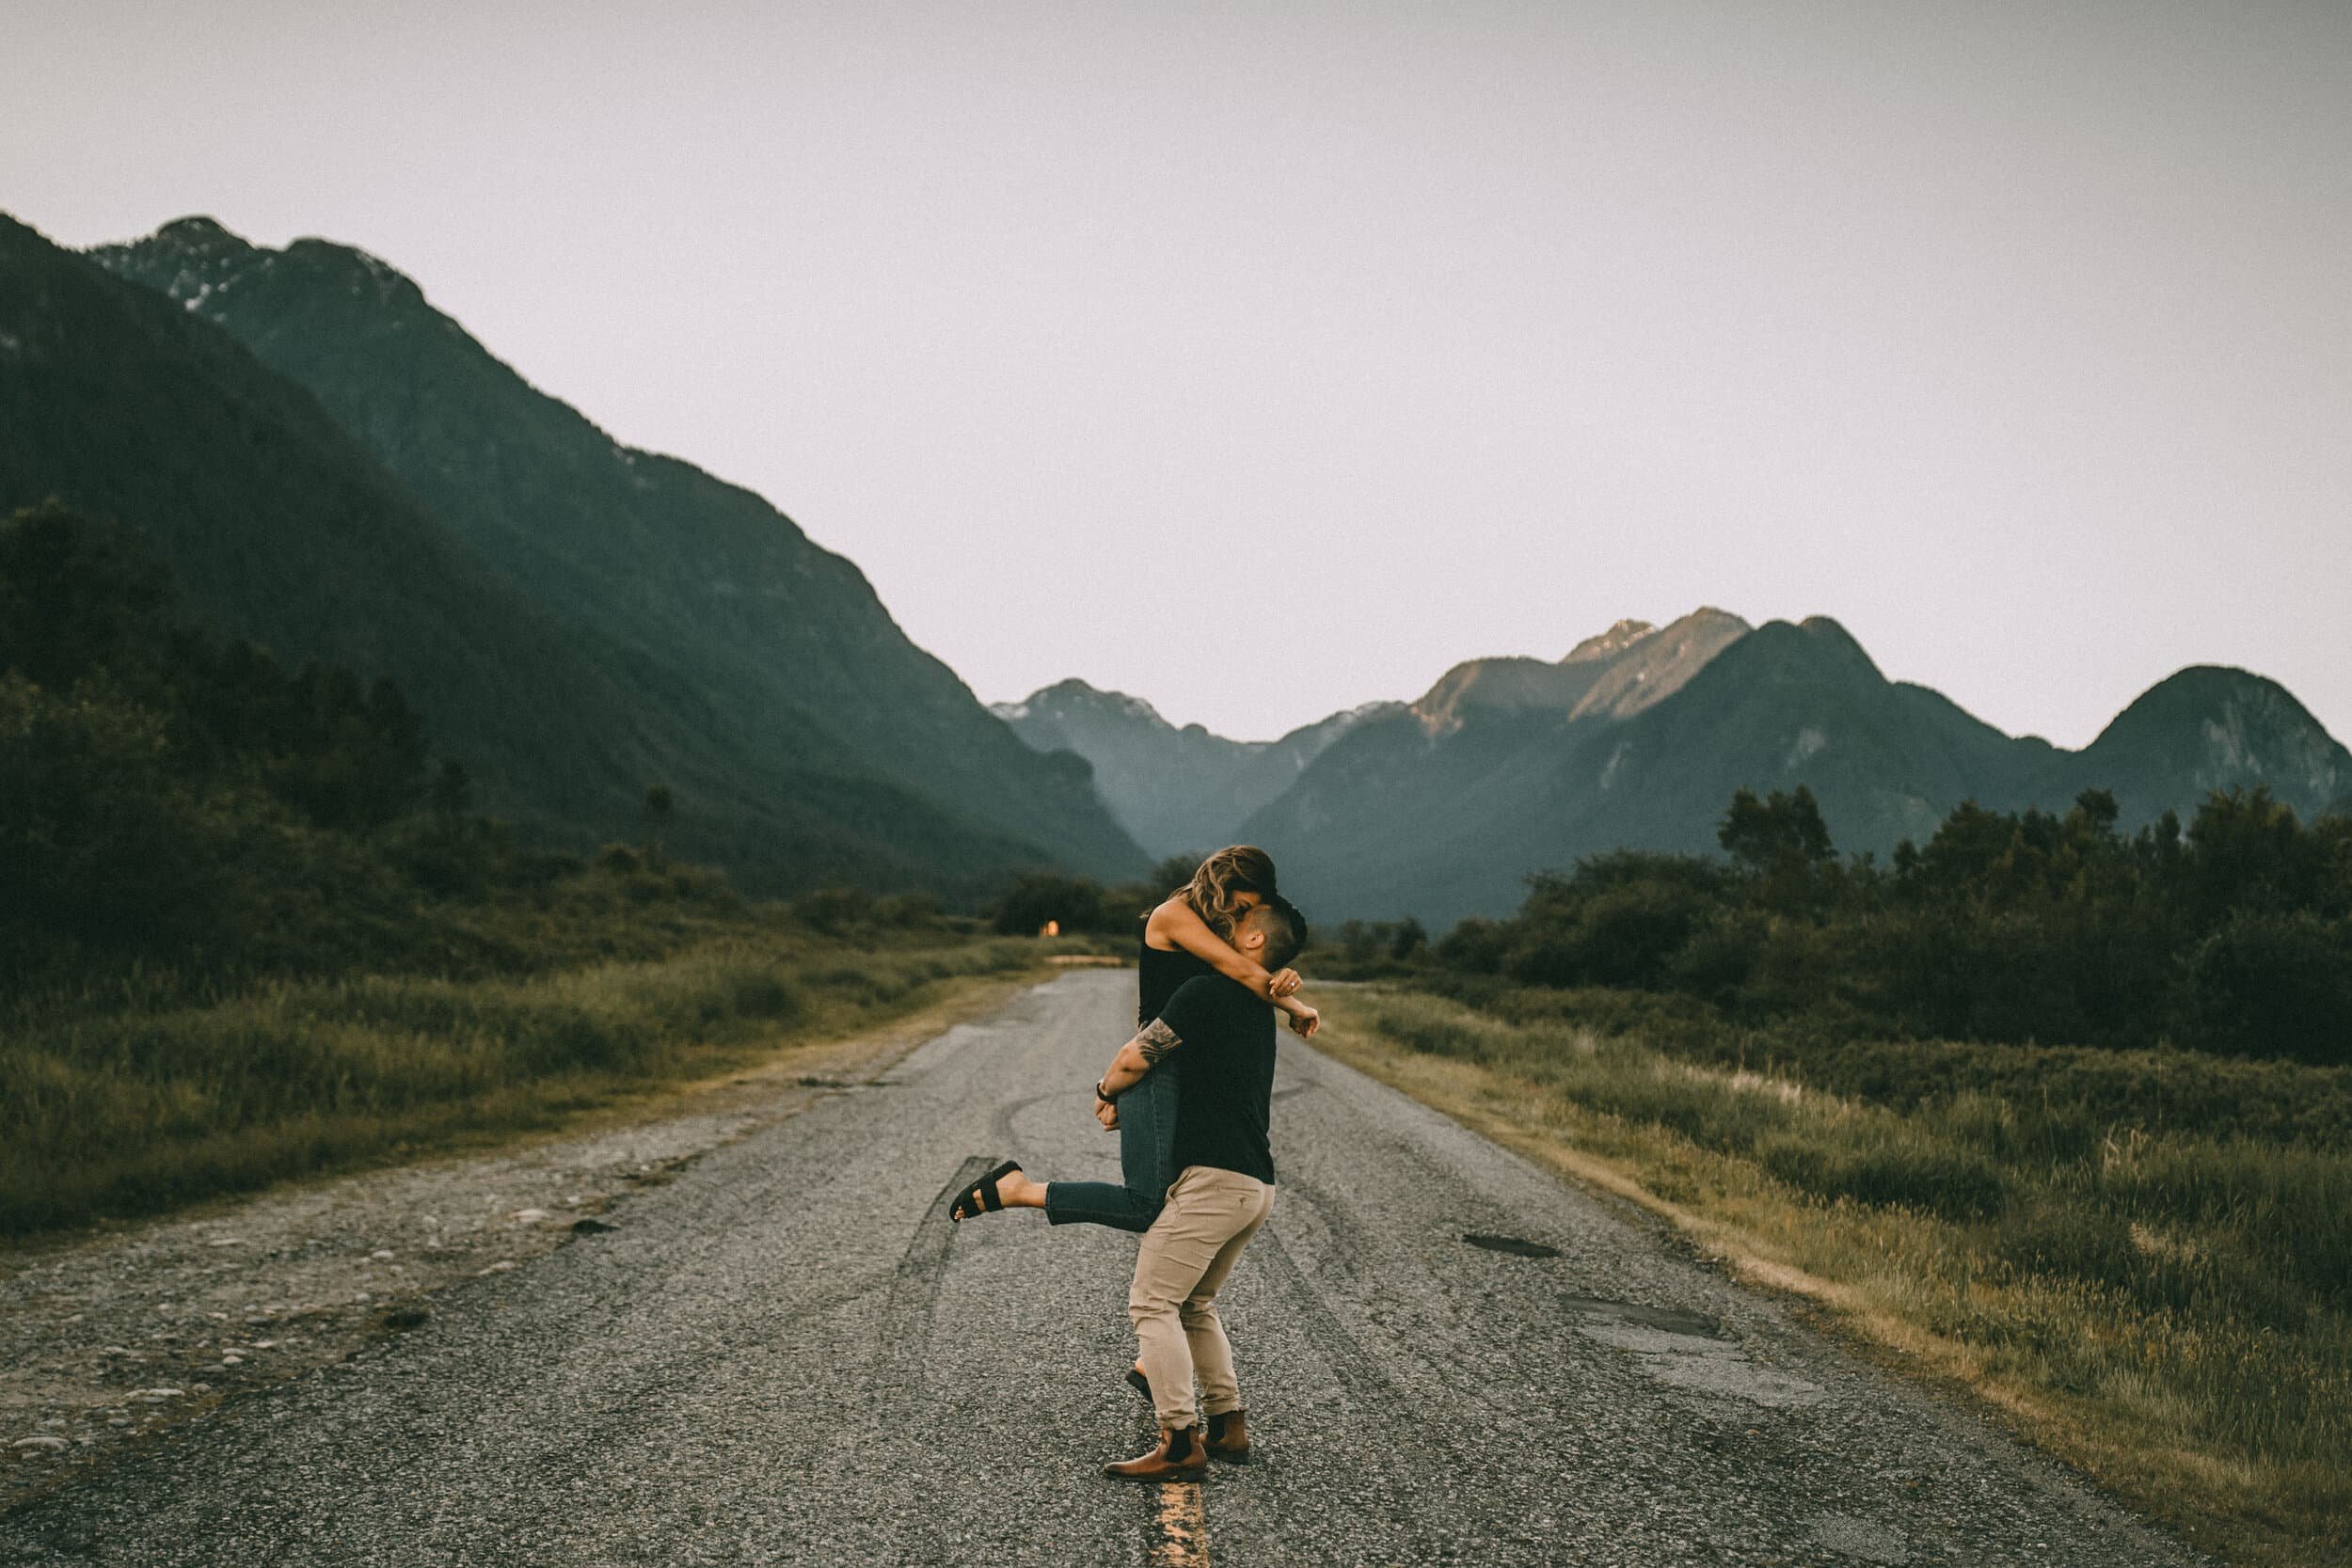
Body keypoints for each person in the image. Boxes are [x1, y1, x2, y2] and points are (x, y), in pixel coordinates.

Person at [951, 894, 1308, 1478]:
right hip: (1254, 1184)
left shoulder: (1203, 992)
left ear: (1253, 940)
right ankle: (1227, 1426)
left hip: (1212, 1182)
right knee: (1194, 1304)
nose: (1219, 922)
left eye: (1237, 916)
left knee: (1152, 1303)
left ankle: (1179, 1443)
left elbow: (1136, 1057)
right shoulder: (1255, 1004)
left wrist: (1105, 1091)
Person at [1022, 847, 1316, 1234]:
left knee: (1178, 1191)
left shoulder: (1214, 926)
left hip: (1187, 1059)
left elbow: (1249, 967)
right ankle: (1019, 1190)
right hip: (1158, 1062)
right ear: (1225, 883)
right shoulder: (1173, 914)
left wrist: (1283, 975)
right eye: (1243, 905)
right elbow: (1240, 969)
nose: (1241, 916)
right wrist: (1296, 1006)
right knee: (1145, 1202)